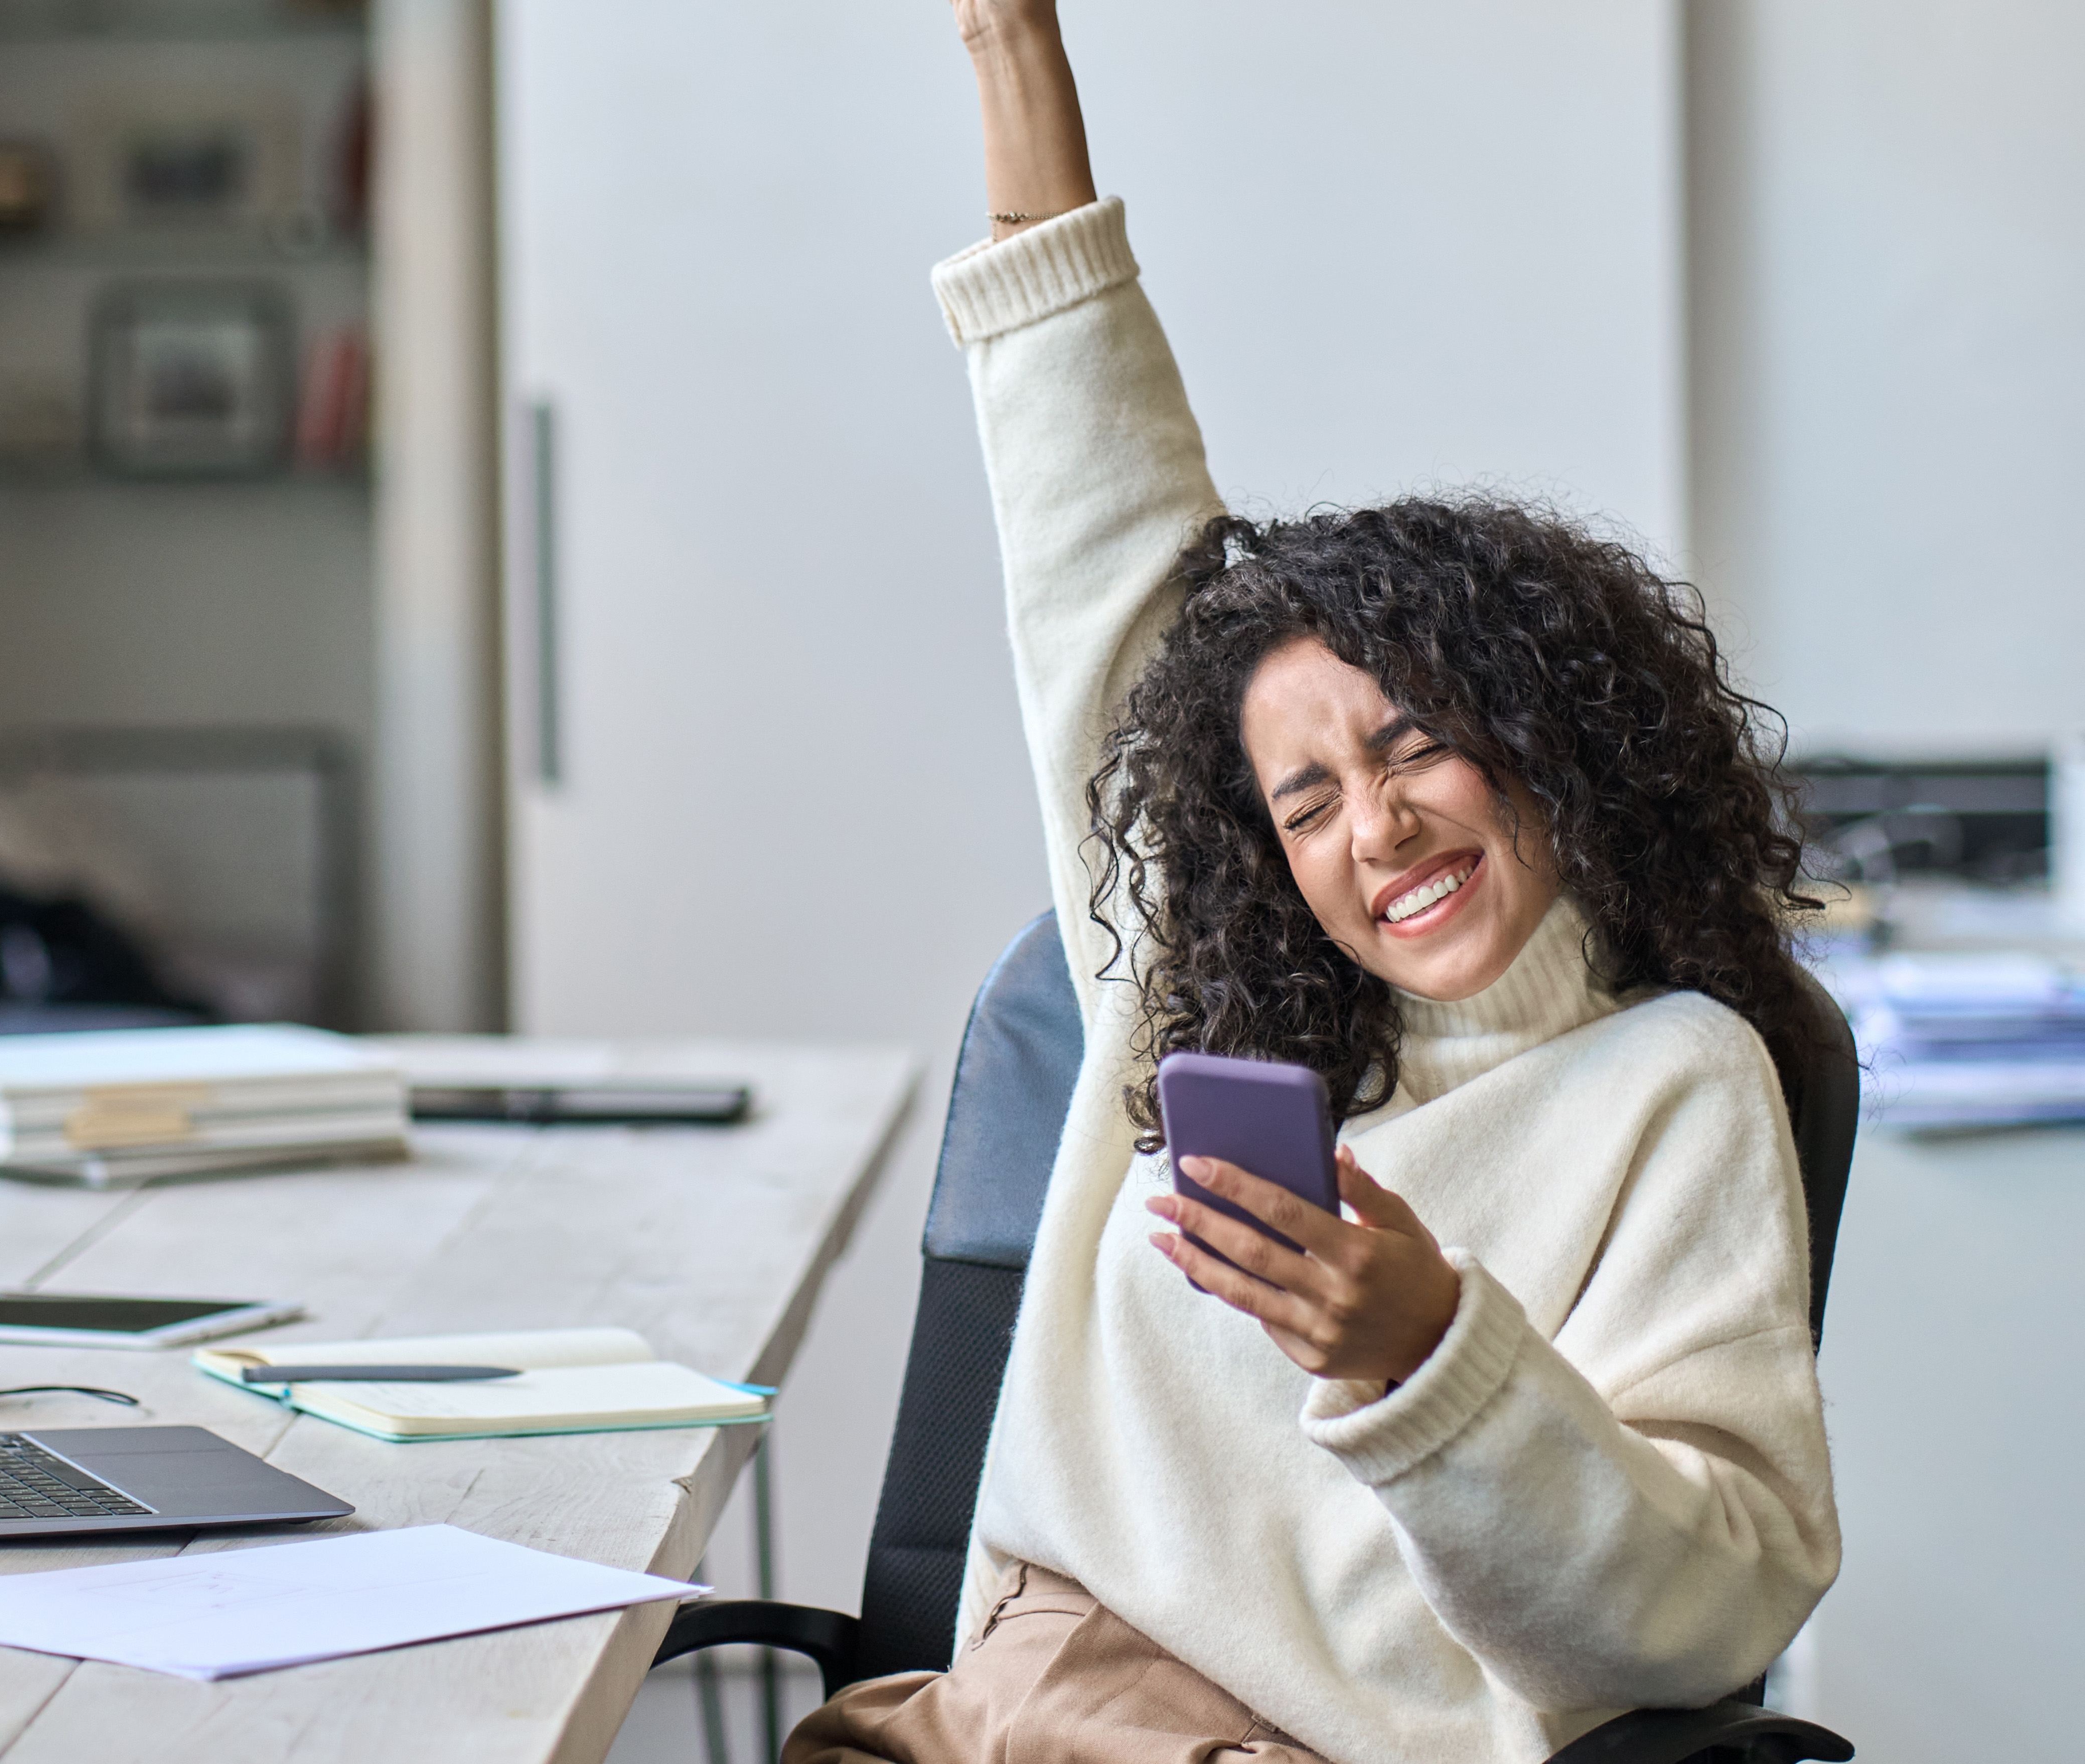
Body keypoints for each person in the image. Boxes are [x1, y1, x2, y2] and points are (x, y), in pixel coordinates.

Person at [784, 6, 1841, 1763]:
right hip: (1019, 1714)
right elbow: (1092, 513)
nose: (1380, 826)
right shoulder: (1196, 985)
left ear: (1549, 735)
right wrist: (1004, 38)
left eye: (1418, 741)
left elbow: (1709, 1613)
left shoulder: (1682, 1084)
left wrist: (1437, 1362)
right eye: (1309, 799)